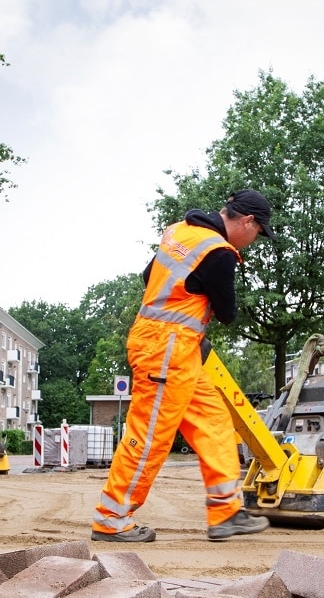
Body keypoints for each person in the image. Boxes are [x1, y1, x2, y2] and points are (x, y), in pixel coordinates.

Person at [92, 189, 275, 542]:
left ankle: (226, 512)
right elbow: (227, 313)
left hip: (174, 347)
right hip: (166, 350)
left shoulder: (180, 231)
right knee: (149, 438)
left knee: (214, 421)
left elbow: (150, 277)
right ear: (248, 222)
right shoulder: (219, 254)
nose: (254, 241)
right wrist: (184, 322)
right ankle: (111, 519)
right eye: (258, 233)